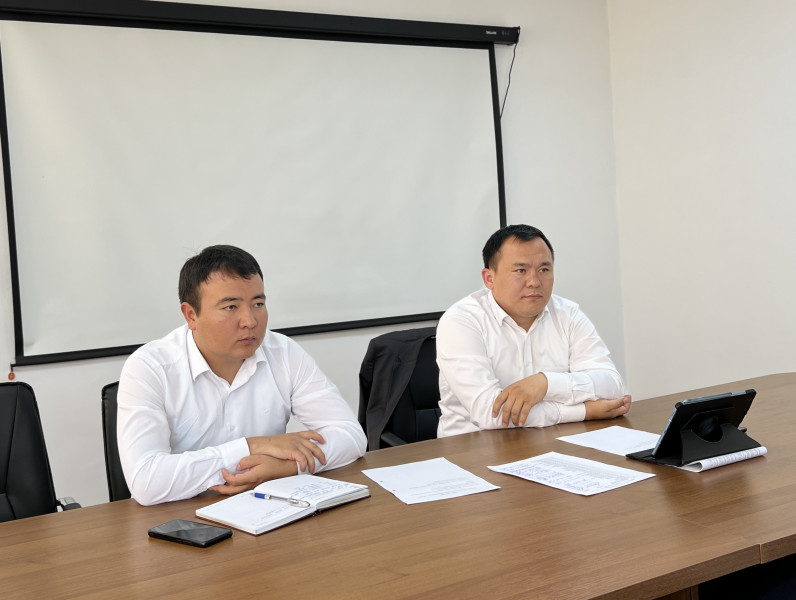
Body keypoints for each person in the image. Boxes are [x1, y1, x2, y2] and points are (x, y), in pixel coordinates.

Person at [117, 245, 366, 505]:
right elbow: (146, 481)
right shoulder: (150, 368)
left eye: (258, 304)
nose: (250, 321)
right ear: (191, 315)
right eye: (230, 307)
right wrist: (252, 446)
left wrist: (288, 467)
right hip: (182, 517)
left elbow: (351, 435)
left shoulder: (283, 352)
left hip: (267, 508)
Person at [436, 224, 631, 437]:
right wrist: (584, 411)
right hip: (473, 447)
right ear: (489, 278)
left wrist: (545, 383)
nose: (535, 282)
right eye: (521, 270)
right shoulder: (461, 321)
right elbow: (491, 413)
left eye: (544, 270)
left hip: (550, 441)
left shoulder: (568, 314)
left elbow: (613, 387)